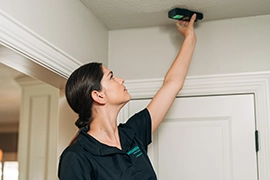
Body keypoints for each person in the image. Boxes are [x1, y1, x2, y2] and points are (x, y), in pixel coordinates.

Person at [58, 14, 197, 180]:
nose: (121, 80)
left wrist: (190, 38)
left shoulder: (132, 134)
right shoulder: (76, 157)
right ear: (98, 95)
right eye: (111, 76)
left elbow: (172, 84)